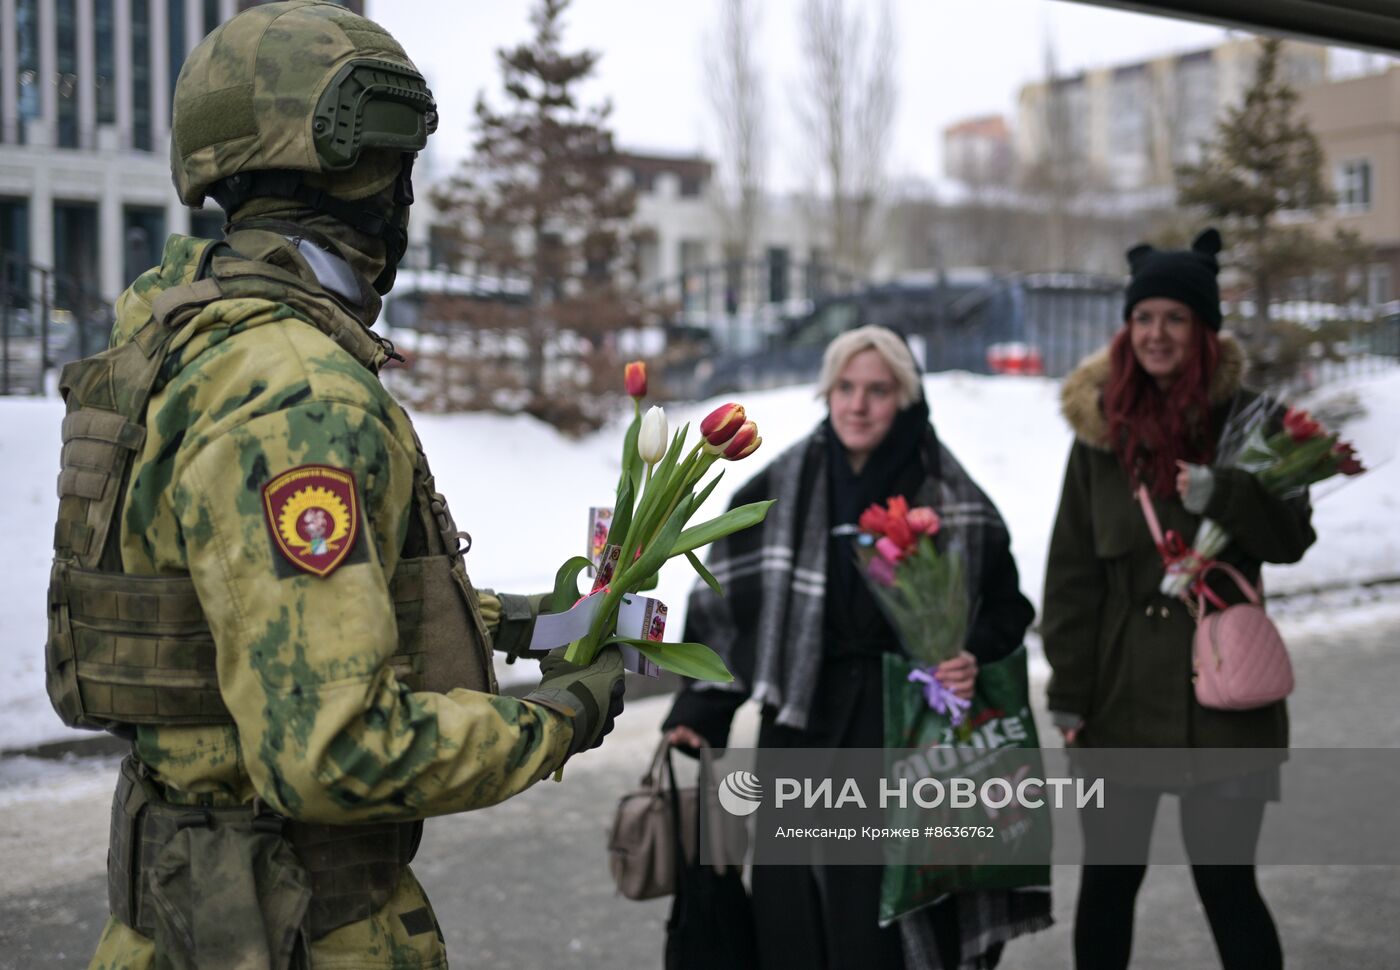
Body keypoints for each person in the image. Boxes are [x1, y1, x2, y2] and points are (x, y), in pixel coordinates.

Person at [42, 4, 624, 968]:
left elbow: (243, 617)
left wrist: (527, 624)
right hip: (309, 935)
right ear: (371, 170)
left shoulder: (172, 348)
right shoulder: (296, 390)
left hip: (172, 930)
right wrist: (565, 717)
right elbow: (339, 751)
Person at [663, 325, 1048, 969]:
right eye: (845, 387)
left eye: (877, 389)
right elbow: (726, 610)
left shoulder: (948, 492)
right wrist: (703, 710)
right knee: (788, 910)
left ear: (905, 397)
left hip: (898, 725)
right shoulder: (779, 486)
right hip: (800, 718)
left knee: (875, 914)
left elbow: (1007, 608)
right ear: (827, 392)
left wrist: (970, 653)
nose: (858, 404)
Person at [1042, 229, 1316, 970]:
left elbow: (1293, 536)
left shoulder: (1255, 423)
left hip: (1227, 698)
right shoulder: (1099, 434)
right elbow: (1071, 575)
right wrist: (1069, 693)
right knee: (1108, 885)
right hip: (1118, 695)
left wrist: (1222, 489)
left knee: (1228, 886)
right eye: (1144, 318)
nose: (1157, 334)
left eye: (1175, 318)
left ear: (1203, 330)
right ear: (1127, 330)